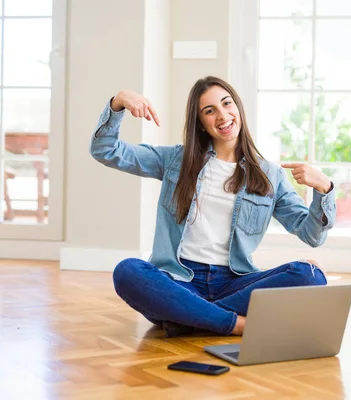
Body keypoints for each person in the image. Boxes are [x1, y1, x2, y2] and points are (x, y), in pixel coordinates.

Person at [90, 76, 336, 337]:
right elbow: (105, 150)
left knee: (310, 274)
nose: (223, 115)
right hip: (178, 280)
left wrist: (325, 190)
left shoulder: (270, 176)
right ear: (202, 124)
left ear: (238, 108)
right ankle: (235, 324)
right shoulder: (176, 160)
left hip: (235, 283)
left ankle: (189, 317)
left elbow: (311, 234)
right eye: (210, 111)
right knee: (128, 271)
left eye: (227, 104)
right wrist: (118, 103)